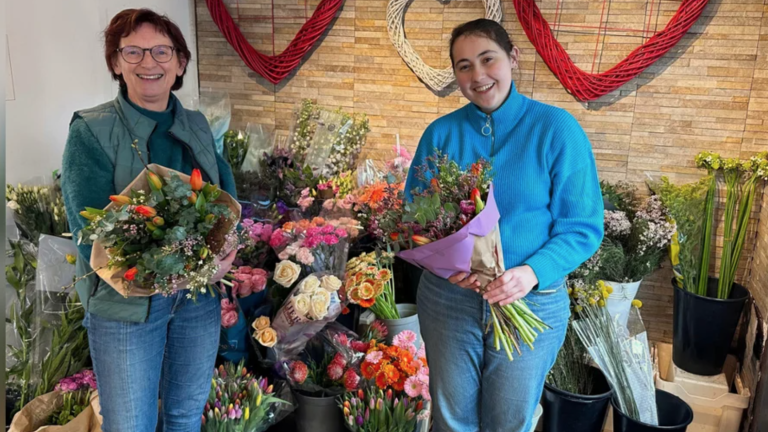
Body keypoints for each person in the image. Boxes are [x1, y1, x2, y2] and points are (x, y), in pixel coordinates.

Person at [405, 19, 604, 432]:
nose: (478, 75)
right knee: (451, 420)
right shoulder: (440, 135)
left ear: (513, 57)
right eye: (464, 66)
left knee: (509, 422)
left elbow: (582, 227)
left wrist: (531, 272)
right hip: (449, 301)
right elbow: (412, 221)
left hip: (530, 300)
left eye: (487, 59)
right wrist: (445, 265)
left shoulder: (556, 129)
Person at [60, 9, 237, 432]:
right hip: (126, 306)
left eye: (161, 51)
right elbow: (89, 232)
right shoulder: (91, 130)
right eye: (133, 52)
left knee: (185, 417)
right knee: (130, 425)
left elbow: (225, 197)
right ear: (116, 63)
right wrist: (162, 269)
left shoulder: (197, 124)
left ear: (180, 63)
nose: (148, 62)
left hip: (196, 300)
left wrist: (225, 252)